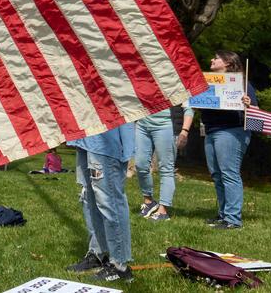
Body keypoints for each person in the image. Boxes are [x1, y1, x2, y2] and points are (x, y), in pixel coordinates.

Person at [187, 51, 257, 229]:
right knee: (217, 175)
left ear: (228, 63)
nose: (211, 59)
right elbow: (200, 104)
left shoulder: (241, 82)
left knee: (229, 173)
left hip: (232, 131)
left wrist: (249, 104)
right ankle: (223, 214)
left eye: (216, 58)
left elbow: (255, 112)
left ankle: (233, 219)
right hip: (211, 131)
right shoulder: (206, 82)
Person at [66, 124, 136, 283]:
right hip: (83, 135)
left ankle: (120, 266)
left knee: (109, 200)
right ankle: (98, 253)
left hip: (106, 138)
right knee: (88, 197)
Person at [134, 103, 194, 222]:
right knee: (140, 165)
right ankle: (149, 202)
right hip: (142, 125)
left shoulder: (176, 84)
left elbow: (189, 108)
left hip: (166, 126)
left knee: (166, 168)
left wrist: (184, 131)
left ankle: (163, 211)